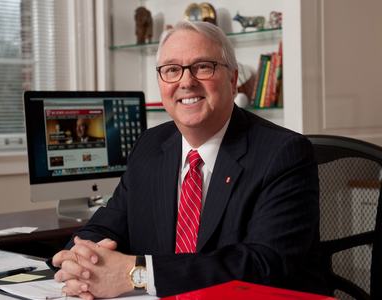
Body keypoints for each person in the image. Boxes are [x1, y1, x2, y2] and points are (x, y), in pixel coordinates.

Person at [51, 21, 329, 299]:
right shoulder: (150, 145)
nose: (186, 82)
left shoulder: (283, 153)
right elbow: (106, 225)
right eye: (172, 70)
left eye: (203, 67)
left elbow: (262, 264)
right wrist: (80, 262)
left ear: (232, 80)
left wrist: (136, 275)